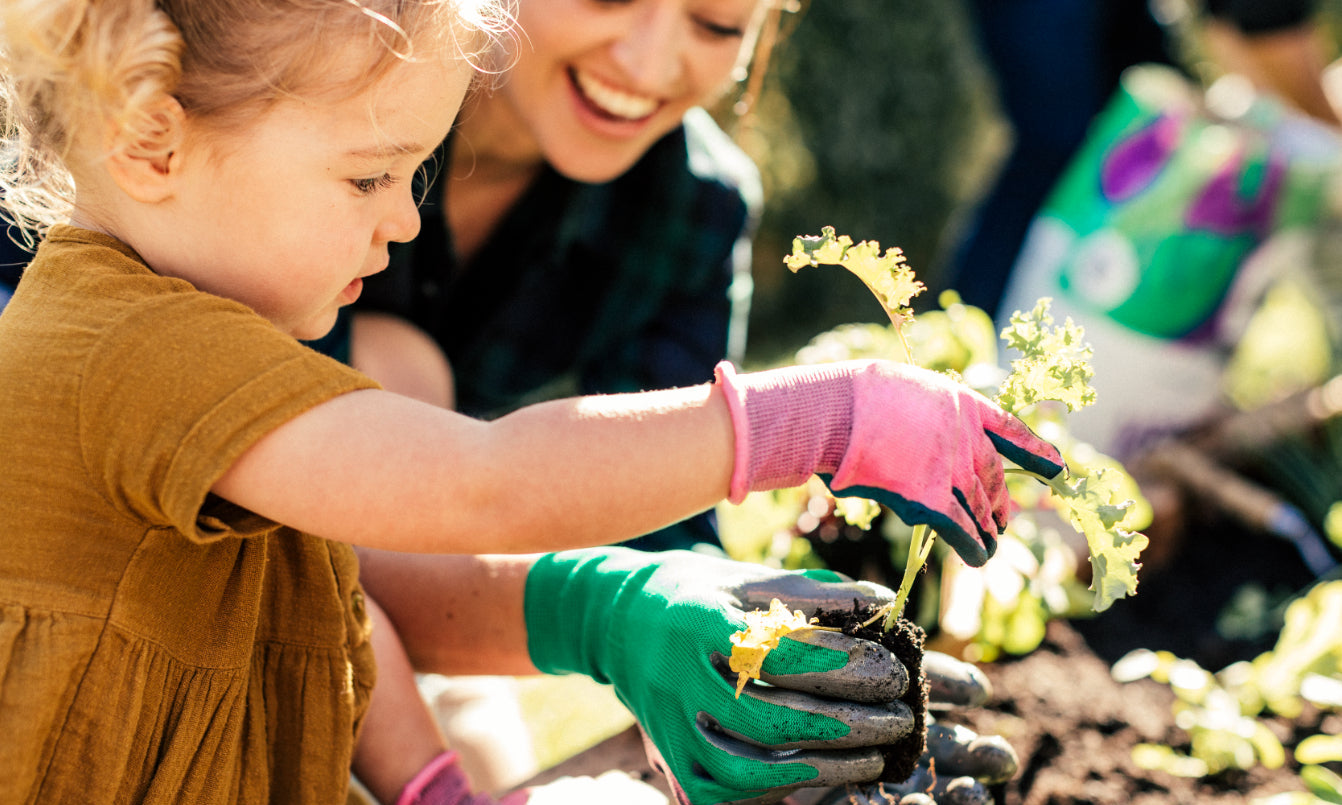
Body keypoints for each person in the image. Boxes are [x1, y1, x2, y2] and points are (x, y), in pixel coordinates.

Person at [0, 4, 1067, 805]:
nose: (404, 224)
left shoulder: (210, 330)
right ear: (150, 145)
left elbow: (331, 607)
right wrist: (824, 419)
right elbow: (483, 483)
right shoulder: (126, 344)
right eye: (371, 180)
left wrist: (438, 784)